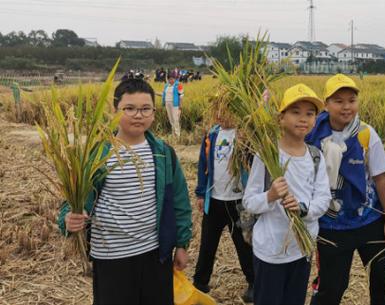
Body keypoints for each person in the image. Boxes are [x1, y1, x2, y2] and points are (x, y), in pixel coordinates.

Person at [57, 79, 192, 305]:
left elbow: (179, 201)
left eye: (145, 108)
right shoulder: (98, 154)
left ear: (154, 113)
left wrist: (181, 244)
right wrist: (68, 219)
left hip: (155, 255)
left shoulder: (164, 154)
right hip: (112, 258)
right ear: (114, 111)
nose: (138, 115)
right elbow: (74, 201)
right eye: (129, 108)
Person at [306, 74, 385, 305]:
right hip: (331, 224)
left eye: (352, 100)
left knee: (383, 279)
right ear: (326, 104)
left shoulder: (366, 133)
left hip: (369, 220)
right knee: (332, 285)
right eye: (338, 101)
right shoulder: (311, 134)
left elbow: (380, 178)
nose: (346, 107)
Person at [243, 84, 331, 305]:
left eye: (310, 114)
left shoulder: (315, 156)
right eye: (295, 112)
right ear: (281, 118)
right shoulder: (267, 154)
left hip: (302, 249)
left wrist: (303, 208)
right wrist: (270, 196)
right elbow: (249, 202)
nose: (303, 118)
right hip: (270, 250)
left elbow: (323, 199)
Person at [193, 99, 254, 301]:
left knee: (244, 245)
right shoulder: (211, 135)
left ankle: (254, 282)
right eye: (217, 111)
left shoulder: (245, 135)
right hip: (215, 199)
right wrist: (201, 193)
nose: (220, 115)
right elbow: (203, 165)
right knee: (208, 244)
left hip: (240, 202)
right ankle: (200, 282)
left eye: (225, 110)